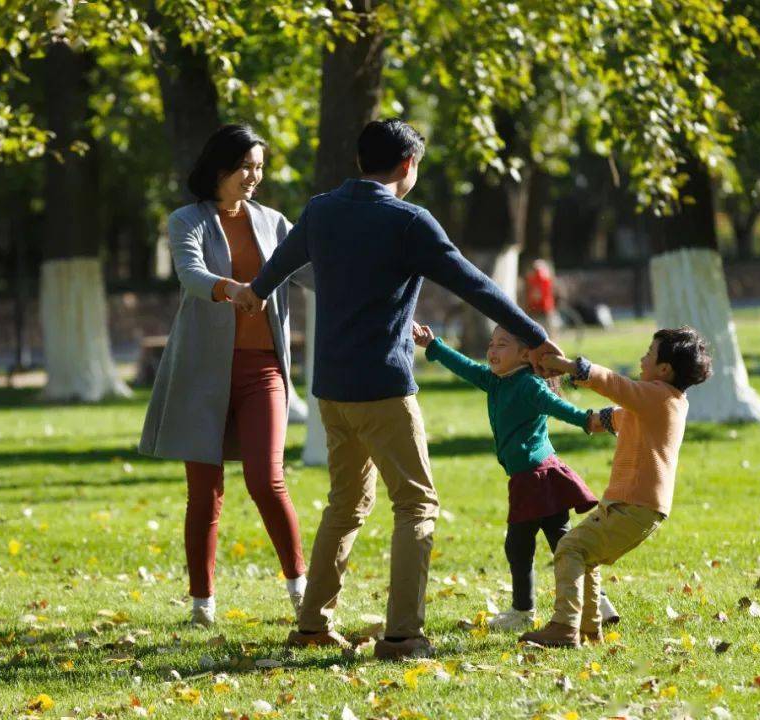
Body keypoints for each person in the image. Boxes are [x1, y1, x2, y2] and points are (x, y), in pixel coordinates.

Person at [234, 119, 563, 659]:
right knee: (416, 504)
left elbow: (281, 264)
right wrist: (536, 337)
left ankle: (313, 625)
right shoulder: (409, 221)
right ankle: (403, 634)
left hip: (332, 392)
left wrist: (255, 292)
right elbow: (474, 284)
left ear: (362, 160)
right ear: (407, 165)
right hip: (384, 387)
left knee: (345, 504)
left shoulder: (321, 210)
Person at [138, 125, 310, 627]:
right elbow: (191, 275)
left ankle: (302, 588)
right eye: (246, 168)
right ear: (220, 170)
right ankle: (202, 604)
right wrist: (232, 289)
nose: (254, 176)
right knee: (205, 491)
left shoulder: (273, 221)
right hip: (202, 371)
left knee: (267, 478)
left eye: (259, 167)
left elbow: (310, 273)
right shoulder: (186, 220)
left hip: (263, 371)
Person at [411, 322, 619, 632]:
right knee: (556, 543)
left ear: (525, 355)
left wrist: (591, 421)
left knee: (537, 546)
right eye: (492, 343)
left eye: (502, 345)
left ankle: (530, 611)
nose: (492, 350)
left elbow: (559, 408)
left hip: (539, 478)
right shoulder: (495, 381)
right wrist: (433, 346)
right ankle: (592, 602)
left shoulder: (528, 385)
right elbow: (466, 366)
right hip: (527, 479)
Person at [519, 326, 712, 648]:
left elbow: (615, 386)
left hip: (633, 505)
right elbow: (614, 418)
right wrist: (570, 412)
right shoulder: (660, 403)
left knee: (570, 548)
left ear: (664, 370)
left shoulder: (658, 396)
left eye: (649, 354)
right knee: (585, 554)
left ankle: (564, 628)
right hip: (634, 506)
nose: (642, 358)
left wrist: (567, 366)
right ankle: (588, 630)